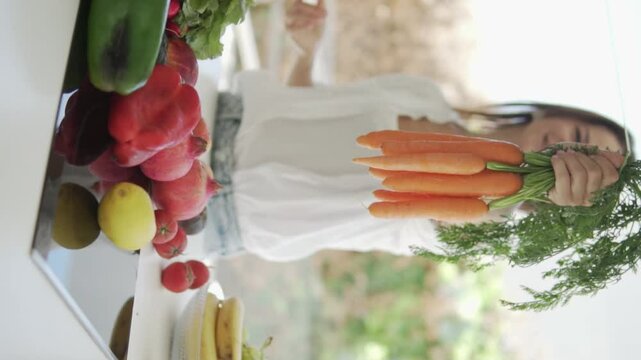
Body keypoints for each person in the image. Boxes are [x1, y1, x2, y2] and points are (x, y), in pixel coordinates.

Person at [206, 0, 630, 261]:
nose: (566, 151)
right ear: (550, 113)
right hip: (221, 114)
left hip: (224, 213)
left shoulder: (486, 222)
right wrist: (306, 51)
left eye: (581, 162)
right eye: (578, 134)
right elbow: (307, 109)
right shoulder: (424, 95)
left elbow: (452, 226)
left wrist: (546, 190)